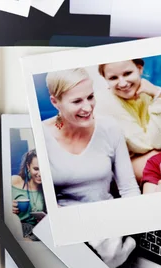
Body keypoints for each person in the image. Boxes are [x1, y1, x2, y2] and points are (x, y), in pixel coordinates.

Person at [42, 67, 140, 207]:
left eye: (90, 97)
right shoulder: (41, 134)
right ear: (55, 102)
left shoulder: (109, 127)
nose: (88, 108)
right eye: (77, 101)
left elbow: (129, 188)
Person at [95, 59, 161, 182]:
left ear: (139, 69)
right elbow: (142, 145)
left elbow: (160, 141)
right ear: (105, 79)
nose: (122, 83)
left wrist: (157, 96)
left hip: (150, 157)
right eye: (113, 78)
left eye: (127, 74)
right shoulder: (103, 102)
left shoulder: (156, 92)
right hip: (123, 166)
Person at [11, 149, 46, 240]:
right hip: (14, 229)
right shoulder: (15, 181)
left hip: (36, 233)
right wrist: (7, 206)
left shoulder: (48, 191)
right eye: (36, 169)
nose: (40, 174)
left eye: (44, 169)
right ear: (28, 167)